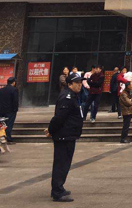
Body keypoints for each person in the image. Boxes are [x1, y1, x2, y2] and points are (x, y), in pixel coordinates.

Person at [44, 73, 84, 202]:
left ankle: (59, 187)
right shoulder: (67, 97)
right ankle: (57, 192)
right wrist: (51, 130)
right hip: (64, 136)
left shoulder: (73, 96)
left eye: (81, 82)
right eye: (77, 83)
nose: (80, 85)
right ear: (70, 84)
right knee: (61, 164)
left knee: (64, 164)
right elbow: (59, 117)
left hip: (68, 135)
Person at [0, 76, 18, 144]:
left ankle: (2, 137)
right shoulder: (14, 90)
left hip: (2, 110)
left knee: (3, 124)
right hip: (10, 110)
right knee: (9, 124)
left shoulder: (2, 90)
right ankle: (8, 138)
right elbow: (15, 100)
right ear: (13, 82)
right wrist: (15, 109)